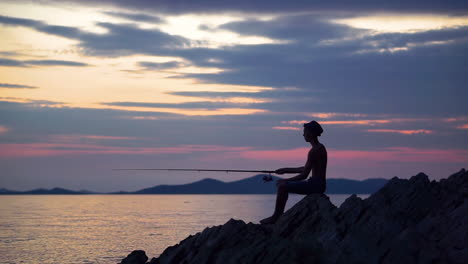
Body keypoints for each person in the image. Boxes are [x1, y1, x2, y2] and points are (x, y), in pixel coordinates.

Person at [260, 120, 327, 225]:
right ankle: (277, 216)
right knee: (283, 185)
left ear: (311, 133)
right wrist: (285, 170)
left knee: (282, 187)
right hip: (318, 184)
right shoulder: (320, 148)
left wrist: (285, 181)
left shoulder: (314, 151)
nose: (303, 134)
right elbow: (305, 168)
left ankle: (276, 216)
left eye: (305, 132)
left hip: (315, 186)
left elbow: (304, 175)